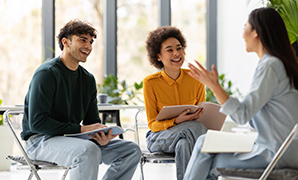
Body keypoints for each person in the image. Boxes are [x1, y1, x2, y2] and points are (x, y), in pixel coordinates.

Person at [183, 7, 298, 180]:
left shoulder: (270, 66)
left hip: (276, 154)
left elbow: (242, 114)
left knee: (204, 153)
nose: (243, 34)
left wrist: (215, 87)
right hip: (282, 150)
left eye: (245, 27)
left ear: (256, 33)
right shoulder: (279, 64)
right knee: (202, 143)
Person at [21, 19, 141, 180]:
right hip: (40, 141)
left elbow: (91, 121)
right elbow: (38, 123)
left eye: (91, 42)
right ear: (66, 42)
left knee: (131, 150)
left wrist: (100, 135)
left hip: (73, 139)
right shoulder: (47, 73)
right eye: (82, 40)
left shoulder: (87, 79)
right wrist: (80, 130)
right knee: (87, 151)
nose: (89, 46)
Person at [143, 26, 208, 180]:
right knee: (196, 129)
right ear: (158, 56)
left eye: (179, 48)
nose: (176, 53)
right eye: (169, 50)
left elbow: (201, 115)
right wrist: (177, 121)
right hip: (159, 137)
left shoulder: (196, 79)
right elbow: (153, 124)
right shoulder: (150, 83)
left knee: (184, 145)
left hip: (189, 134)